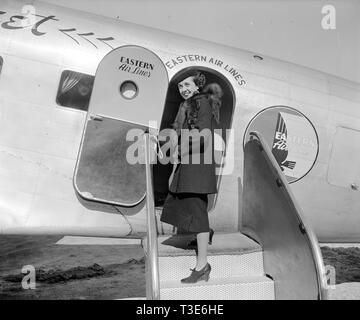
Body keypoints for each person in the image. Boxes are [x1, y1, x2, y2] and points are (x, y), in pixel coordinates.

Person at [160, 69, 223, 283]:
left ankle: (202, 266)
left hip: (197, 168)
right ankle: (204, 233)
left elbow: (203, 136)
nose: (184, 89)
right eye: (180, 87)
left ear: (197, 86)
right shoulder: (190, 105)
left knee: (196, 210)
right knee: (184, 205)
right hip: (190, 165)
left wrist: (177, 149)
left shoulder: (201, 103)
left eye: (188, 85)